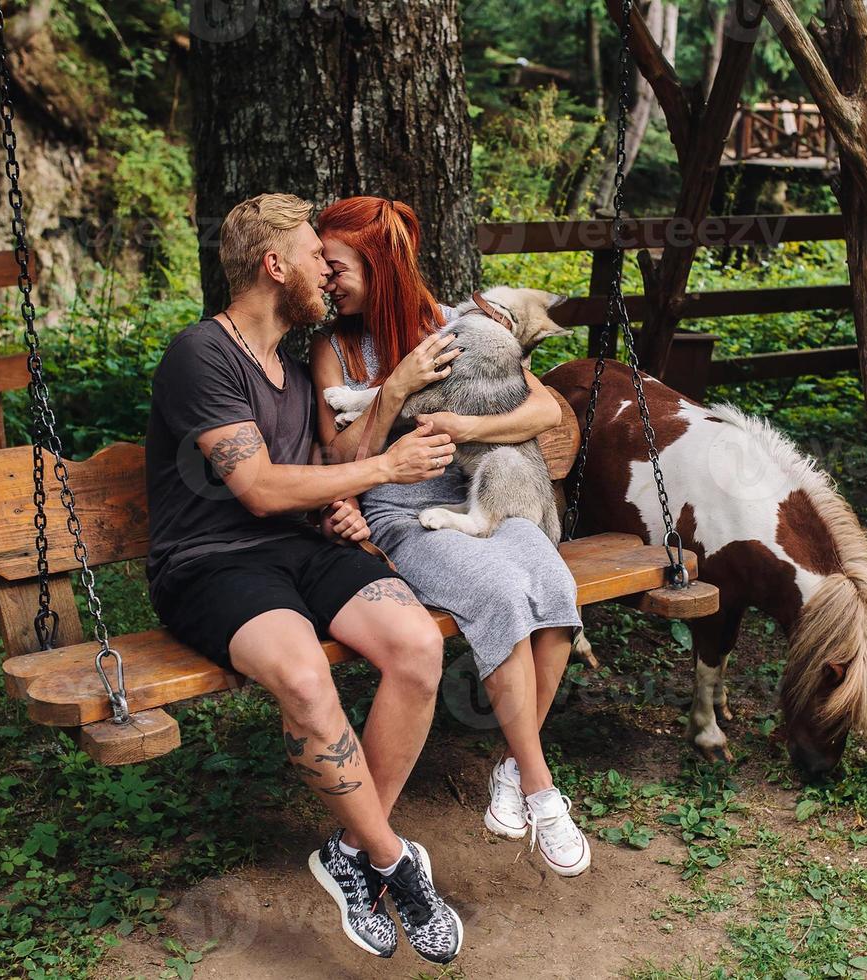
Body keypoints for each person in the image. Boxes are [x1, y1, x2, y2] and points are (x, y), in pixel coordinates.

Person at [144, 193, 463, 964]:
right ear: (273, 264)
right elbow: (254, 486)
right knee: (304, 677)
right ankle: (393, 862)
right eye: (316, 255)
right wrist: (383, 466)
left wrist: (340, 505)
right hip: (211, 565)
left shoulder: (287, 369)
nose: (329, 268)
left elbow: (307, 477)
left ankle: (351, 854)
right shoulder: (202, 354)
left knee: (418, 645)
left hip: (297, 547)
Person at [309, 196, 591, 877]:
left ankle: (508, 773)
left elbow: (545, 406)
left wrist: (468, 430)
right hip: (401, 516)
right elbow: (340, 463)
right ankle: (541, 787)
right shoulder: (335, 348)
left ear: (379, 266)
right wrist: (396, 388)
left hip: (476, 499)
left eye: (336, 264)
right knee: (498, 590)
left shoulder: (453, 327)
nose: (324, 277)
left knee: (554, 582)